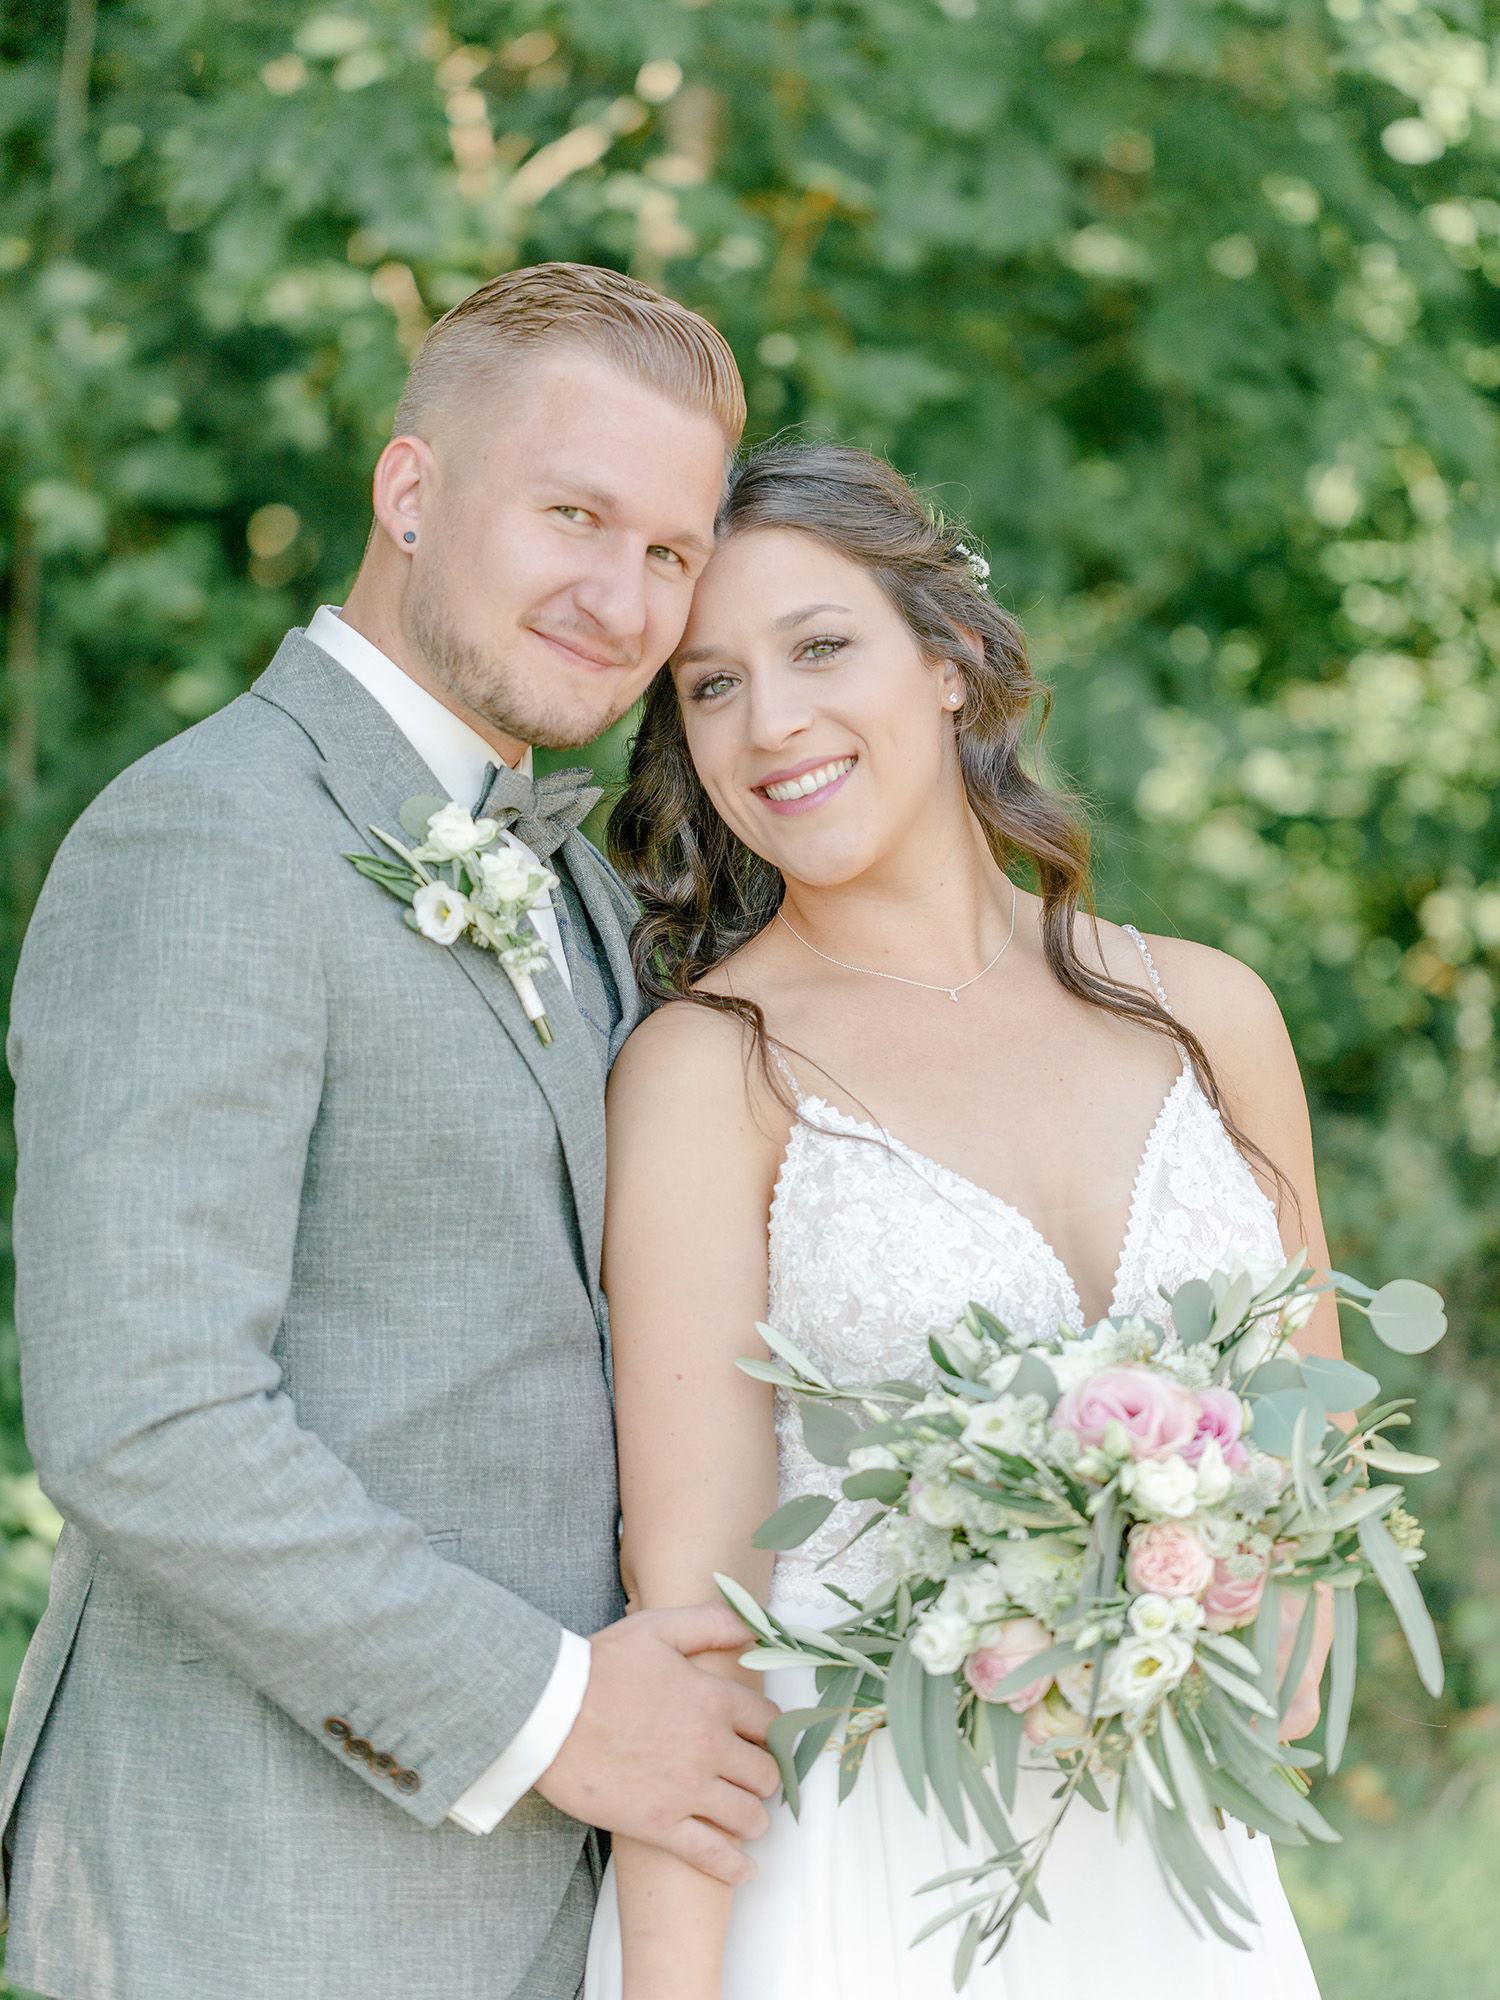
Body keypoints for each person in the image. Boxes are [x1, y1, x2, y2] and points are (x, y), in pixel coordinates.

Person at [0, 262, 780, 2000]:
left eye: (671, 552)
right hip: (258, 1899)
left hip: (553, 1906)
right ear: (411, 491)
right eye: (574, 515)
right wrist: (557, 1714)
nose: (623, 599)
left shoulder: (575, 878)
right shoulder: (208, 840)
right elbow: (146, 1417)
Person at [584, 441, 1334, 1998]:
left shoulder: (1209, 1016)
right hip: (857, 1874)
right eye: (711, 687)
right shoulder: (711, 1071)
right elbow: (694, 1622)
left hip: (1168, 1862)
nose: (770, 723)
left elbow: (1311, 1485)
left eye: (819, 647)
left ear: (948, 664)